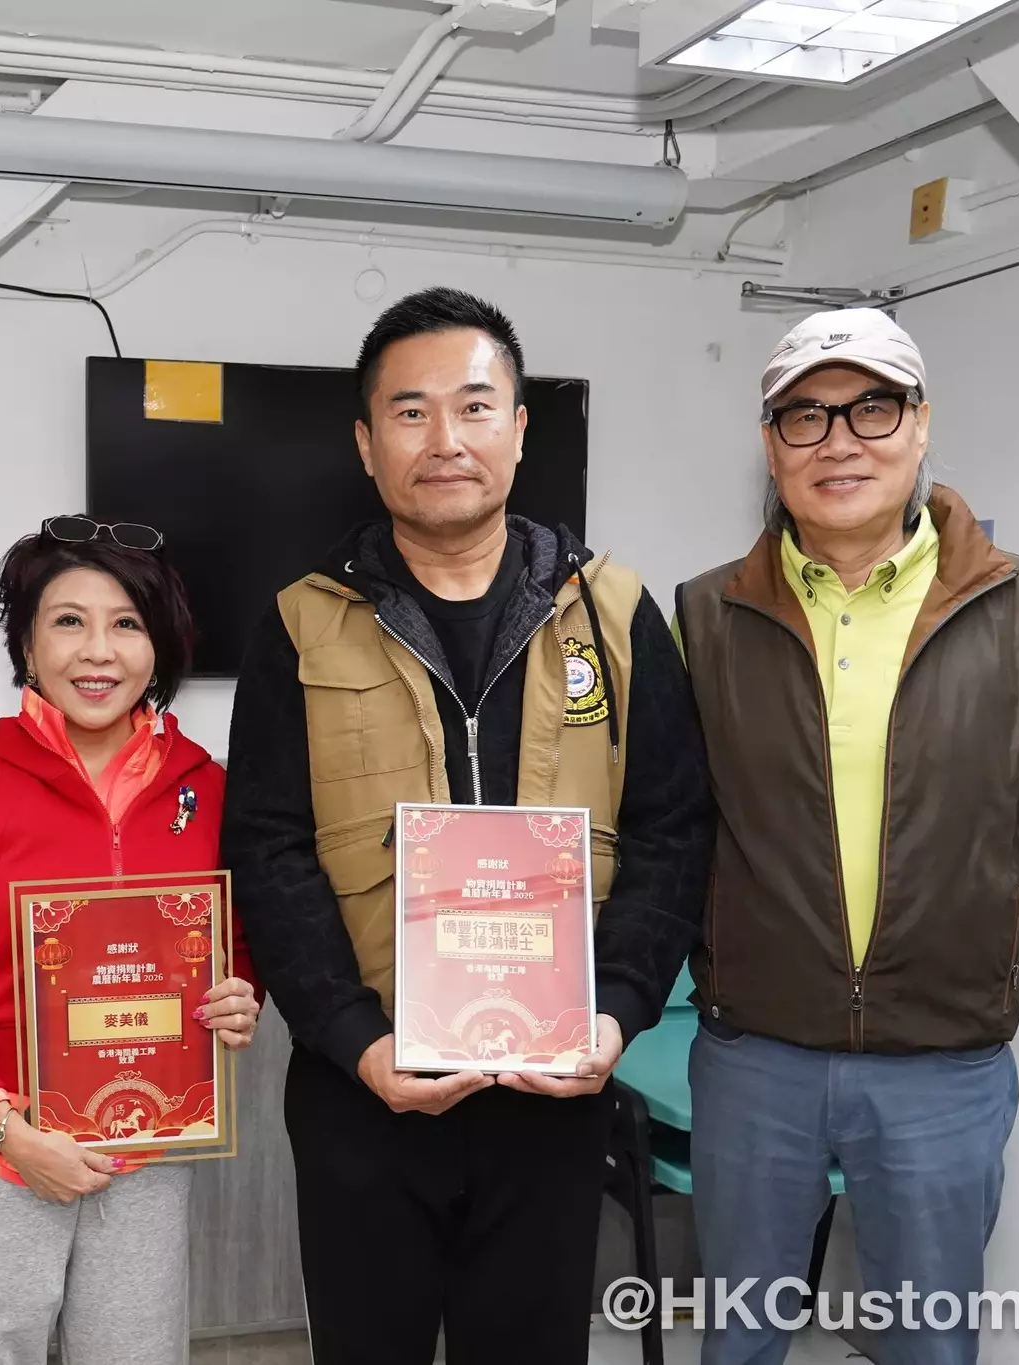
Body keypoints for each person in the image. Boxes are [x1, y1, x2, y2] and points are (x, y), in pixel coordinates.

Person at [221, 286, 715, 1365]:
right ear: (365, 443)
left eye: (474, 406)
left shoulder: (614, 615)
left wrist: (618, 1012)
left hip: (552, 1095)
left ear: (519, 429)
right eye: (409, 411)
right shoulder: (300, 623)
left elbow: (672, 830)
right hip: (364, 1091)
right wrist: (353, 1038)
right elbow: (266, 847)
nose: (443, 438)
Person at [677, 309, 1019, 1365]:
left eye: (871, 408)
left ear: (919, 425)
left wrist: (948, 923)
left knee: (928, 1344)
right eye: (804, 417)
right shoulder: (705, 616)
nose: (839, 442)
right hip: (756, 1053)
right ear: (770, 446)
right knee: (738, 1341)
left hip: (942, 1062)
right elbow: (682, 820)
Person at [0, 518, 262, 1365]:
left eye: (127, 623)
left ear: (160, 644)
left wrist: (240, 995)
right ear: (27, 641)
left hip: (146, 1151)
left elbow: (233, 943)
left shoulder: (207, 791)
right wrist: (5, 1128)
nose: (98, 651)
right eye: (68, 621)